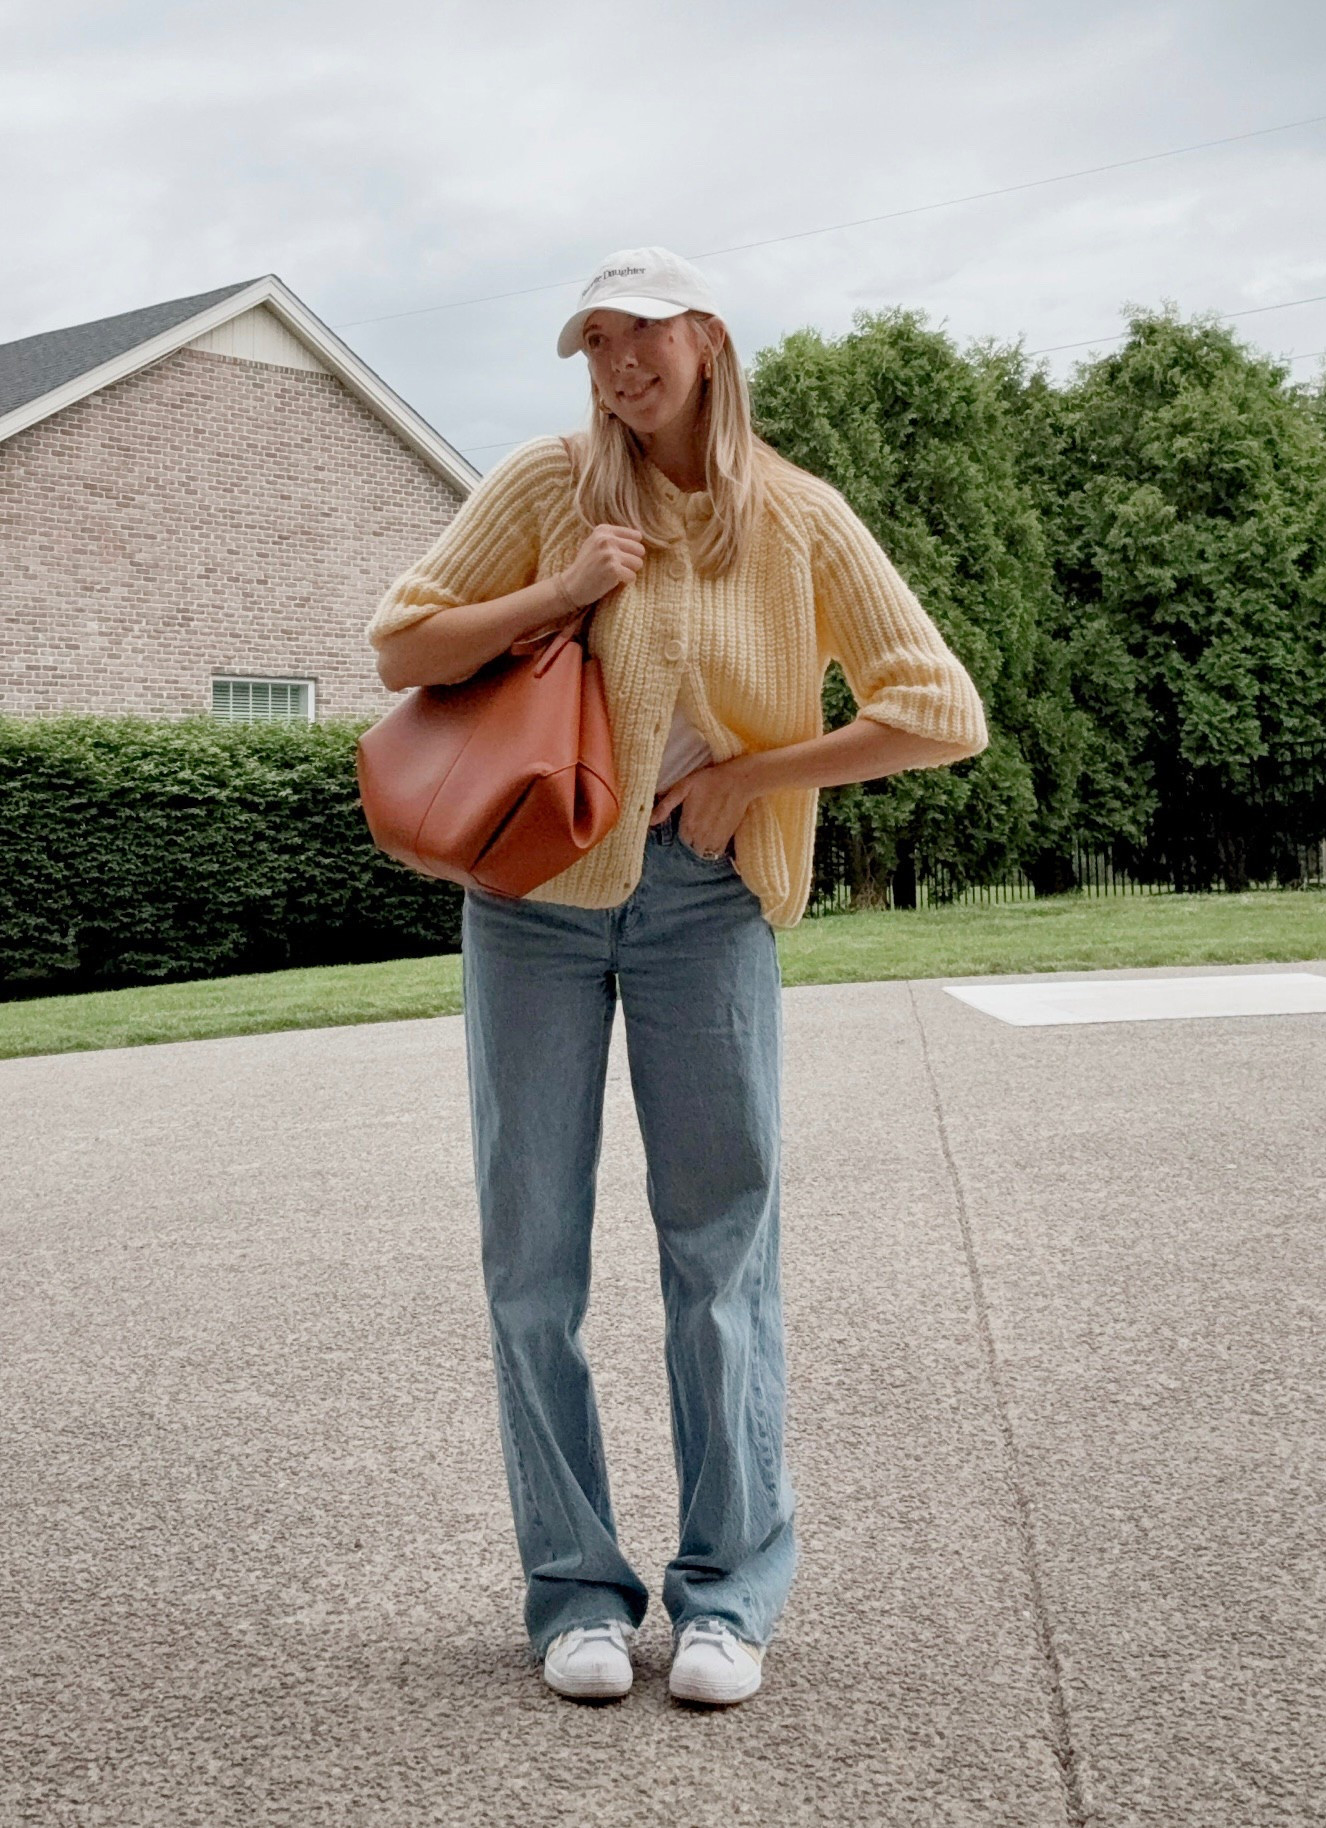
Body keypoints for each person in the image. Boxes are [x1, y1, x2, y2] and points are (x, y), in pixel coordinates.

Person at [366, 246, 989, 1706]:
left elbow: (939, 708)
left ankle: (728, 1594)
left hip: (707, 904)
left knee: (720, 1256)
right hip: (531, 902)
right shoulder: (547, 483)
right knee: (532, 1259)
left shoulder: (799, 516)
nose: (617, 364)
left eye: (639, 333)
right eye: (592, 341)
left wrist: (755, 778)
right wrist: (560, 590)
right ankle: (573, 1591)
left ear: (705, 336)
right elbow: (402, 641)